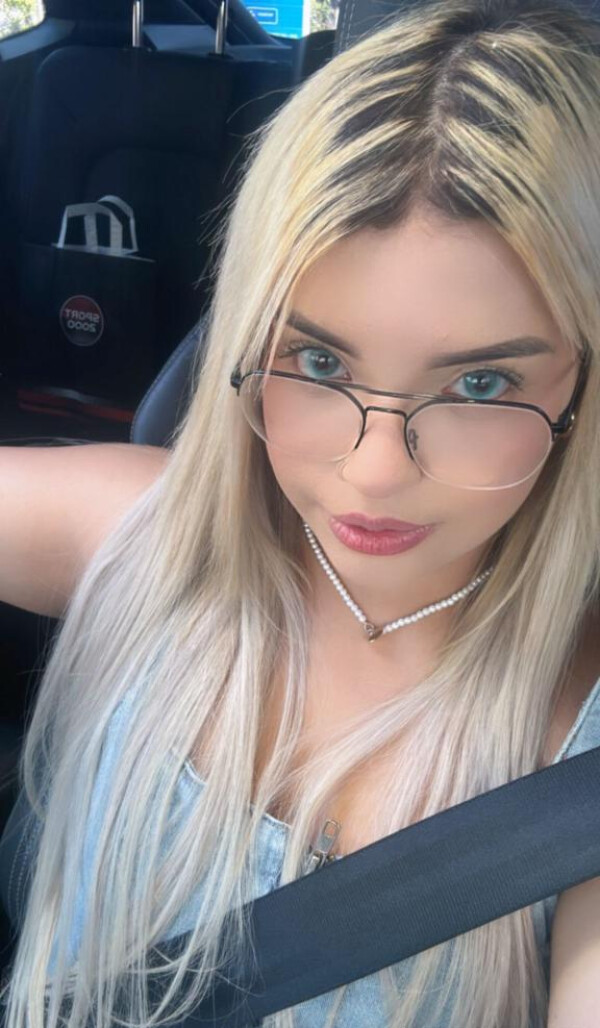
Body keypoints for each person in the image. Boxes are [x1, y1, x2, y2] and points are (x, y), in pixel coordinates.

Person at [1, 0, 600, 1025]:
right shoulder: (138, 538)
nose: (374, 472)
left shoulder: (575, 767)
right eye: (320, 361)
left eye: (482, 384)